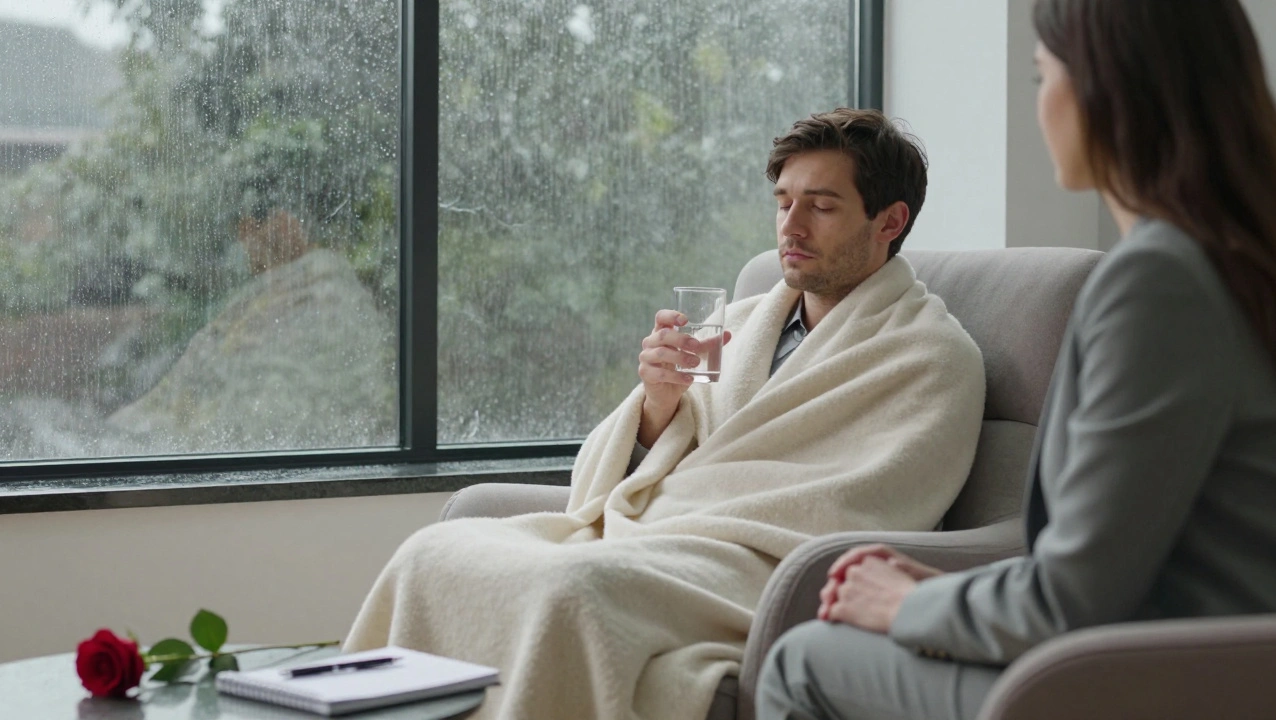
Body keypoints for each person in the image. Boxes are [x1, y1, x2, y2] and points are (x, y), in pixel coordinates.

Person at [343, 108, 987, 720]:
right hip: (655, 535)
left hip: (758, 564)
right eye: (783, 203)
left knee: (576, 589)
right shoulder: (734, 327)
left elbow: (872, 500)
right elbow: (629, 473)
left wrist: (703, 515)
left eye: (820, 206)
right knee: (433, 552)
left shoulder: (929, 355)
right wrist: (657, 404)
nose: (791, 227)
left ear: (889, 222)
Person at [757, 2, 1276, 718]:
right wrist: (940, 597)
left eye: (1043, 74)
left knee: (805, 660)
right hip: (1203, 658)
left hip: (1166, 678)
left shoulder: (1161, 283)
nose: (1040, 103)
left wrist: (909, 603)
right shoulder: (1233, 262)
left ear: (1106, 87)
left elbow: (1071, 599)